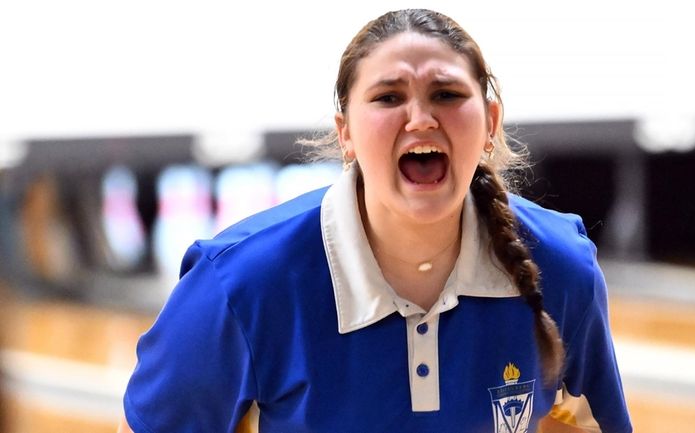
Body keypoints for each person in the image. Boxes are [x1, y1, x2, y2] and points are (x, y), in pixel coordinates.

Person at [120, 9, 632, 433]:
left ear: (491, 122)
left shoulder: (561, 269)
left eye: (446, 95)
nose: (421, 118)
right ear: (345, 132)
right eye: (388, 97)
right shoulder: (241, 285)